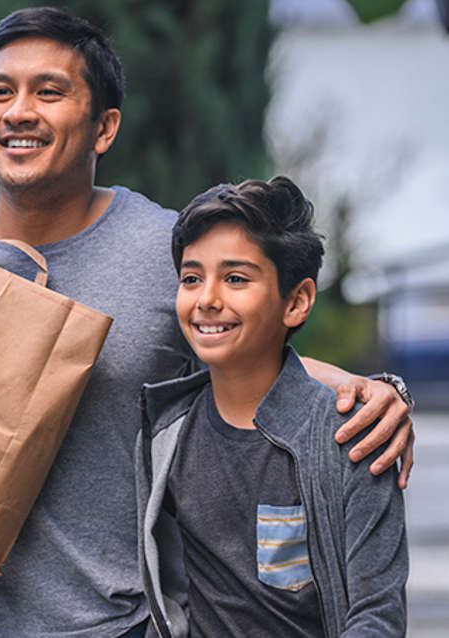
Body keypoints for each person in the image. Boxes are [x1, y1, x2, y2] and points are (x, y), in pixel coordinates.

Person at [0, 8, 414, 637]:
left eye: (50, 91)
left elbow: (253, 359)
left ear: (104, 128)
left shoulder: (165, 253)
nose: (18, 111)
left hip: (109, 627)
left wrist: (375, 393)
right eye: (0, 92)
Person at [136, 177, 408, 638]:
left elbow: (377, 615)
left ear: (297, 301)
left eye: (236, 278)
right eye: (191, 278)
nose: (207, 299)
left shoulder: (352, 436)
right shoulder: (165, 435)